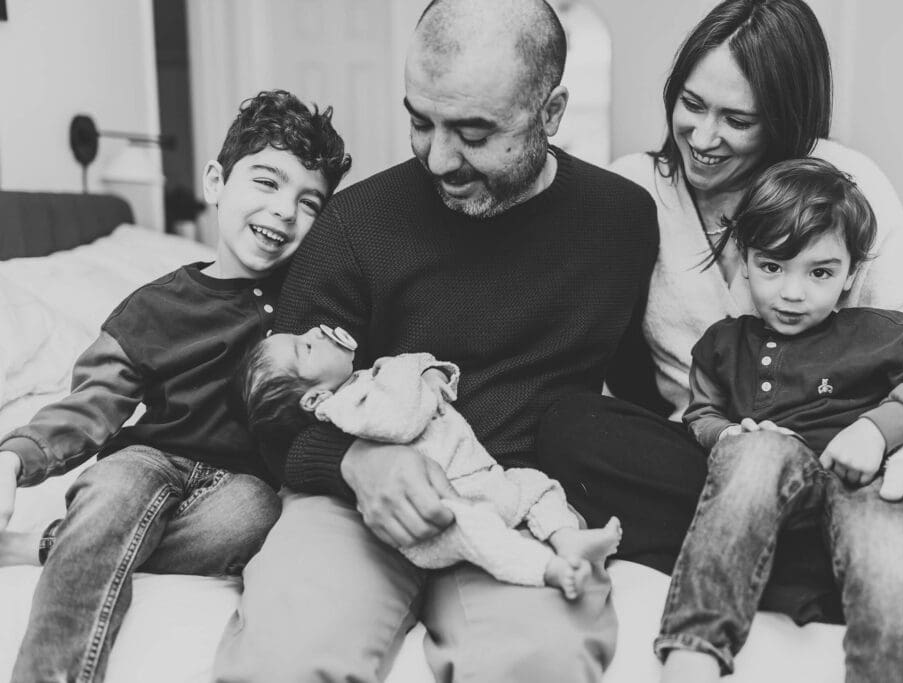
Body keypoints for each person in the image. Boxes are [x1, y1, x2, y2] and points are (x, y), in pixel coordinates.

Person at [535, 1, 903, 680]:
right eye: (692, 104)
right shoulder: (633, 191)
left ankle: (888, 584)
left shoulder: (837, 185)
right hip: (735, 463)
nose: (703, 135)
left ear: (784, 115)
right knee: (572, 429)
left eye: (737, 119)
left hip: (865, 455)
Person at [212, 1, 658, 681]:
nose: (439, 158)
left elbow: (636, 392)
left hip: (515, 505)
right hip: (356, 497)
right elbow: (272, 409)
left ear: (552, 111)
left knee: (544, 663)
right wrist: (356, 463)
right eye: (420, 121)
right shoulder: (357, 222)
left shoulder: (621, 220)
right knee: (284, 659)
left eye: (475, 132)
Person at [0, 90, 351, 683]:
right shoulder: (154, 307)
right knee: (111, 494)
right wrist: (15, 458)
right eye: (266, 182)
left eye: (308, 202)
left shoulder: (311, 299)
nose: (285, 211)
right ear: (216, 181)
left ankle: (59, 544)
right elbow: (92, 405)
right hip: (149, 458)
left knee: (255, 516)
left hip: (242, 484)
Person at [656, 157, 903, 682]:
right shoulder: (722, 345)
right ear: (744, 260)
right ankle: (694, 650)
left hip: (861, 486)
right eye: (772, 266)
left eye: (820, 273)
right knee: (755, 450)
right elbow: (699, 411)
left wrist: (877, 430)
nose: (792, 292)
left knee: (888, 542)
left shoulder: (877, 332)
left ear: (851, 273)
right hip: (767, 487)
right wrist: (727, 435)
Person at [239, 325, 622, 599]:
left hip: (483, 480)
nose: (315, 333)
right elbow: (398, 421)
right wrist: (407, 365)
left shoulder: (361, 383)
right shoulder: (342, 407)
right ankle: (545, 568)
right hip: (436, 510)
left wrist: (427, 372)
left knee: (538, 485)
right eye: (304, 348)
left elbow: (416, 396)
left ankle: (567, 539)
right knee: (482, 536)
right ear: (313, 400)